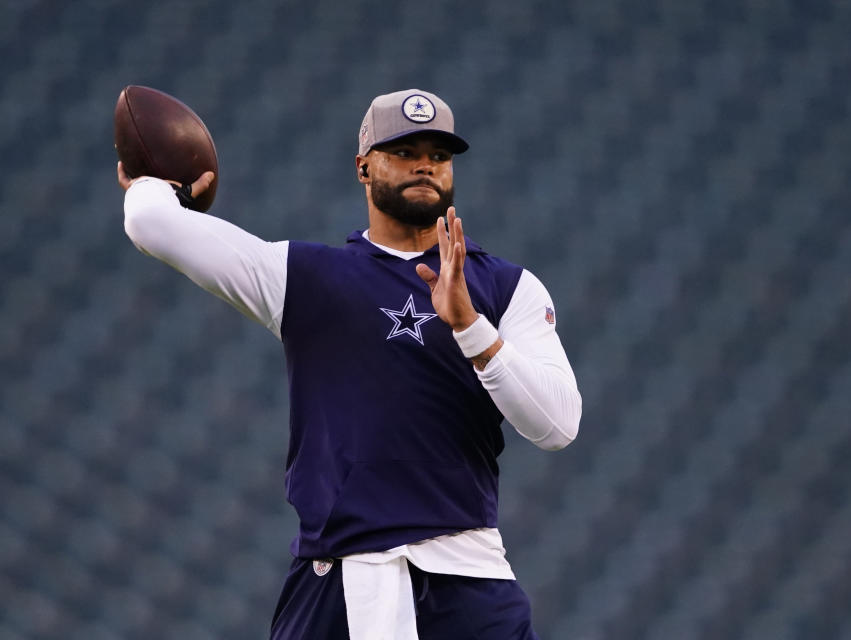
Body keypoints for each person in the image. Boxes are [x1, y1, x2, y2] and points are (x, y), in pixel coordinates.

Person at [118, 88, 582, 639]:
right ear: (364, 167)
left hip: (468, 577)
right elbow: (149, 223)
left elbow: (559, 427)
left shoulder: (505, 288)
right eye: (404, 151)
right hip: (340, 580)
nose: (424, 165)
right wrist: (158, 184)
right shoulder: (306, 276)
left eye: (438, 154)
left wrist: (471, 327)